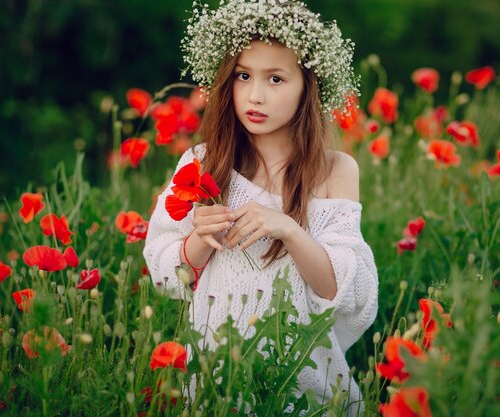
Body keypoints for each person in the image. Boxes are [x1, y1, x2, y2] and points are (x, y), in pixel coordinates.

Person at [143, 0, 378, 414]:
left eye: (275, 79)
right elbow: (167, 276)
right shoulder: (203, 162)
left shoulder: (335, 170)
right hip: (219, 381)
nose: (255, 95)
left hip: (301, 385)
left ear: (308, 85)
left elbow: (344, 292)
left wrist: (288, 228)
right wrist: (200, 238)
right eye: (243, 76)